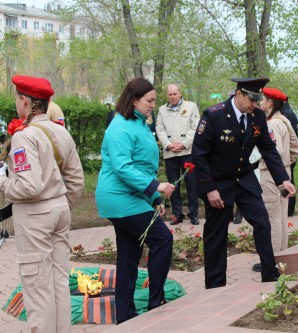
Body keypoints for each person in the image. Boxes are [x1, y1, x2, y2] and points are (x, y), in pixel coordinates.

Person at [192, 77, 296, 289]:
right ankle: (215, 285)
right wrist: (209, 189)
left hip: (245, 180)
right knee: (216, 235)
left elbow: (268, 148)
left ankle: (270, 275)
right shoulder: (214, 115)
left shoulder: (257, 116)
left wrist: (283, 180)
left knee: (262, 222)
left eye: (258, 100)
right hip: (218, 185)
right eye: (252, 100)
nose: (256, 105)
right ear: (238, 95)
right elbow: (199, 155)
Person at [0, 75, 84, 333]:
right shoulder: (61, 131)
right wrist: (62, 204)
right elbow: (76, 180)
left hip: (36, 216)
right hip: (60, 210)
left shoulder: (25, 137)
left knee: (37, 287)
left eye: (17, 98)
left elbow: (30, 186)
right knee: (58, 281)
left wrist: (3, 181)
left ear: (25, 101)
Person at [95, 77, 175, 324]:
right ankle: (155, 303)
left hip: (132, 196)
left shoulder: (138, 123)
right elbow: (123, 167)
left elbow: (143, 166)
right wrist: (155, 186)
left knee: (129, 255)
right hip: (119, 197)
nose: (153, 105)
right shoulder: (119, 127)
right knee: (163, 239)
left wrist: (152, 198)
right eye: (149, 100)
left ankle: (125, 314)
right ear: (134, 100)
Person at [255, 87, 298, 272]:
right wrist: (286, 167)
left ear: (270, 103)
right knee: (280, 217)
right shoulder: (285, 120)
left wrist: (266, 162)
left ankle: (272, 260)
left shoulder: (272, 123)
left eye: (262, 100)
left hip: (272, 175)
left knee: (272, 217)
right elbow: (295, 148)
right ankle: (282, 256)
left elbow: (277, 150)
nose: (259, 103)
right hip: (284, 173)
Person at [156, 84, 200, 225]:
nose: (173, 96)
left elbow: (196, 127)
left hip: (187, 151)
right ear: (167, 95)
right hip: (170, 153)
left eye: (175, 94)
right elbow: (159, 129)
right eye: (170, 94)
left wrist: (184, 143)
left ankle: (193, 214)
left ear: (180, 93)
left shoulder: (191, 106)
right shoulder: (162, 110)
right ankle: (177, 214)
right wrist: (168, 145)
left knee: (191, 185)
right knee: (173, 185)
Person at [282, 98, 298, 217]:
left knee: (288, 181)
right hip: (288, 155)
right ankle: (289, 210)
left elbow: (293, 138)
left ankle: (289, 210)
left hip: (287, 155)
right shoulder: (288, 113)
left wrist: (290, 158)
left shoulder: (287, 115)